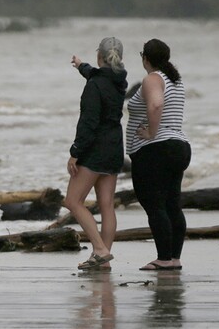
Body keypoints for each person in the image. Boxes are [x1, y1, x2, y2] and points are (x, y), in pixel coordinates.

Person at [128, 38, 191, 271]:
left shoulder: (152, 78)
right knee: (172, 203)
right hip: (179, 147)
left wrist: (151, 133)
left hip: (157, 150)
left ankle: (163, 258)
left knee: (154, 204)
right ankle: (173, 258)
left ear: (145, 58)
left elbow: (155, 105)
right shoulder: (175, 80)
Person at [65, 36, 128, 271]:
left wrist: (75, 152)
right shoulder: (119, 81)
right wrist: (81, 66)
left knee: (73, 200)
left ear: (99, 55)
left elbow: (89, 122)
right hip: (114, 147)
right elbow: (96, 73)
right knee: (107, 204)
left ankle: (99, 250)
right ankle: (103, 259)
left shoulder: (95, 85)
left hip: (95, 149)